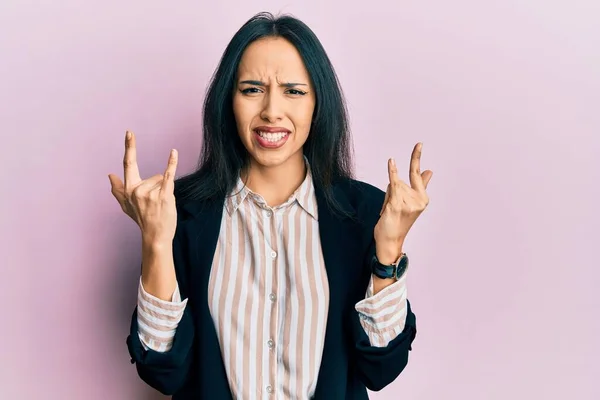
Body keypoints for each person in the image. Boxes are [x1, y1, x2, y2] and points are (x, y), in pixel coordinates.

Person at [108, 11, 432, 400]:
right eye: (251, 89)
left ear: (317, 103)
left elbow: (380, 368)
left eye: (294, 91)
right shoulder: (179, 211)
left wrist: (389, 249)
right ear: (228, 101)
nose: (272, 111)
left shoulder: (365, 212)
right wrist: (156, 241)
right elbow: (163, 372)